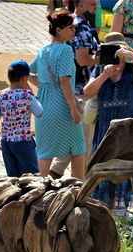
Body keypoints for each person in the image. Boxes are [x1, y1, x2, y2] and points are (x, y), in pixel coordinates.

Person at [84, 33, 133, 216]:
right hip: (107, 133)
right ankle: (109, 216)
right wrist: (104, 76)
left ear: (124, 51)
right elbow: (88, 92)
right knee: (107, 175)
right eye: (110, 51)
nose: (115, 55)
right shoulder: (100, 70)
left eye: (118, 51)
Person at [29, 11, 86, 180]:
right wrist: (74, 108)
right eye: (71, 27)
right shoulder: (66, 50)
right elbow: (64, 80)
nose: (74, 30)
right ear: (59, 30)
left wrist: (45, 86)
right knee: (77, 148)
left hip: (43, 107)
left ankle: (37, 192)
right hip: (62, 107)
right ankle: (78, 192)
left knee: (44, 152)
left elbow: (28, 72)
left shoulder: (43, 50)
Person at [50, 0, 100, 179]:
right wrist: (102, 58)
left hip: (73, 91)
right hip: (82, 92)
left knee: (71, 141)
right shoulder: (81, 28)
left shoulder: (74, 26)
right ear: (81, 5)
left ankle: (53, 174)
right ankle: (81, 186)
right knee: (84, 143)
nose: (97, 7)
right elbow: (83, 59)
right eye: (93, 3)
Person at [0, 60, 42, 177]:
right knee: (32, 177)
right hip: (23, 141)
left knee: (12, 177)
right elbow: (39, 113)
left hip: (6, 141)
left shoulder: (0, 96)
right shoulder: (27, 96)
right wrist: (33, 95)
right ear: (24, 78)